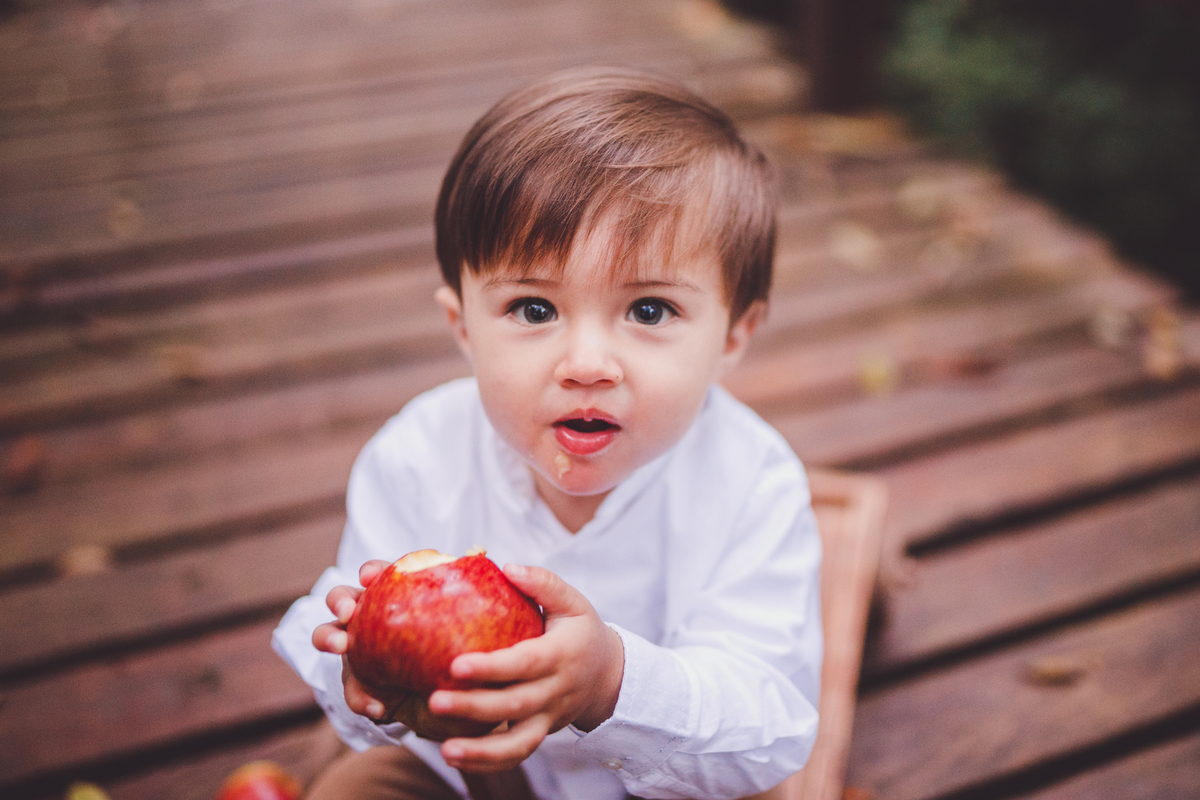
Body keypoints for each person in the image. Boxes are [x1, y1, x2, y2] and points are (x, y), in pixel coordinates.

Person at [272, 67, 822, 800]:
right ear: (463, 326)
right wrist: (363, 669)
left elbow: (769, 722)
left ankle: (868, 574)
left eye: (650, 311)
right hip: (464, 772)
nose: (587, 365)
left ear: (733, 336)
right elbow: (344, 630)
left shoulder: (753, 482)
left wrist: (610, 683)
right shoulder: (419, 455)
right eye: (534, 310)